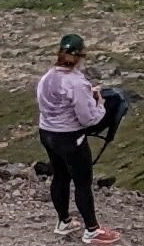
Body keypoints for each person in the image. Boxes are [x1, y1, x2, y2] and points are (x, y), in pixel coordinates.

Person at [35, 33, 105, 235]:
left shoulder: (47, 77)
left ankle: (63, 222)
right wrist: (99, 104)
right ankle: (92, 230)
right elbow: (88, 118)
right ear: (81, 57)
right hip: (70, 137)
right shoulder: (77, 83)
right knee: (83, 183)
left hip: (47, 132)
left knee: (60, 176)